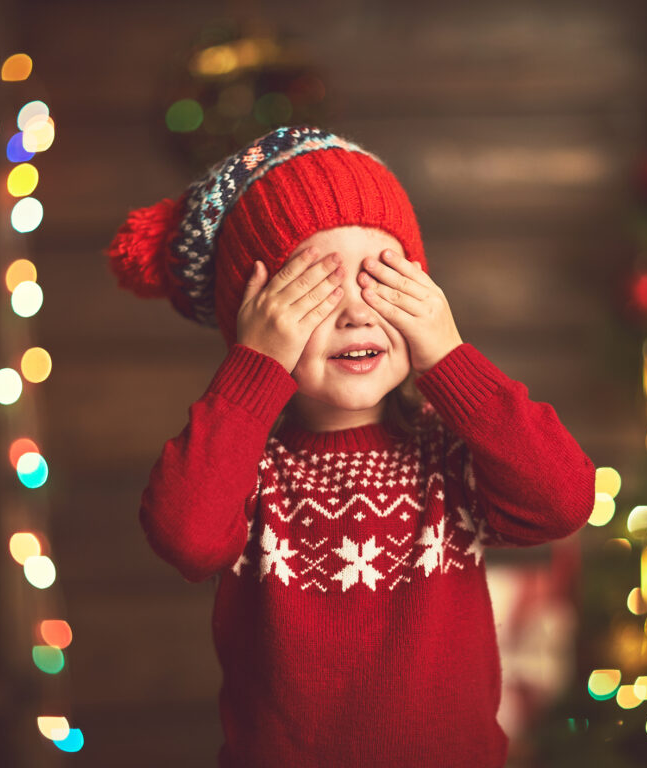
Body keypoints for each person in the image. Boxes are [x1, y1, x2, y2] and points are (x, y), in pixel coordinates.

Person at [106, 125, 596, 768]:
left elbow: (562, 500)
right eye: (314, 289)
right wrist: (254, 370)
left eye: (382, 280)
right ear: (256, 325)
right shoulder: (249, 469)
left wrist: (448, 359)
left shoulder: (448, 456)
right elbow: (185, 534)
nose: (357, 314)